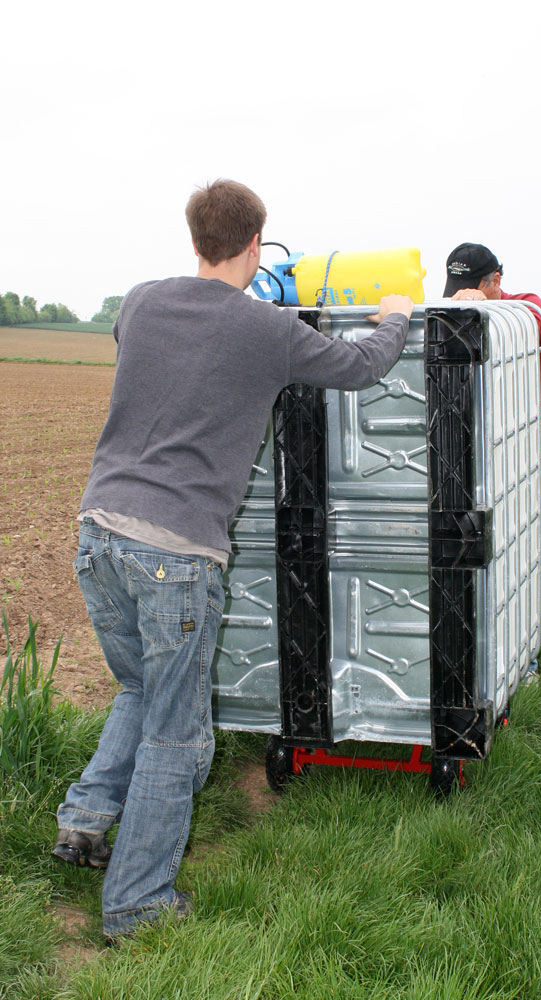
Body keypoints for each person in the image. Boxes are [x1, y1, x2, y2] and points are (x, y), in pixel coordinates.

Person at [52, 179, 413, 941]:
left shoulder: (141, 301)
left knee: (139, 689)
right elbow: (360, 368)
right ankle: (137, 907)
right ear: (256, 243)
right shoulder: (267, 330)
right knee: (176, 733)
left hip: (97, 534)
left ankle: (83, 821)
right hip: (174, 555)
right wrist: (396, 318)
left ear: (195, 239)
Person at [443, 242, 541, 456]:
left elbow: (529, 329)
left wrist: (485, 310)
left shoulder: (526, 305)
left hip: (522, 441)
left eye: (471, 288)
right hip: (472, 441)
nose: (462, 294)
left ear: (496, 280)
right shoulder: (451, 311)